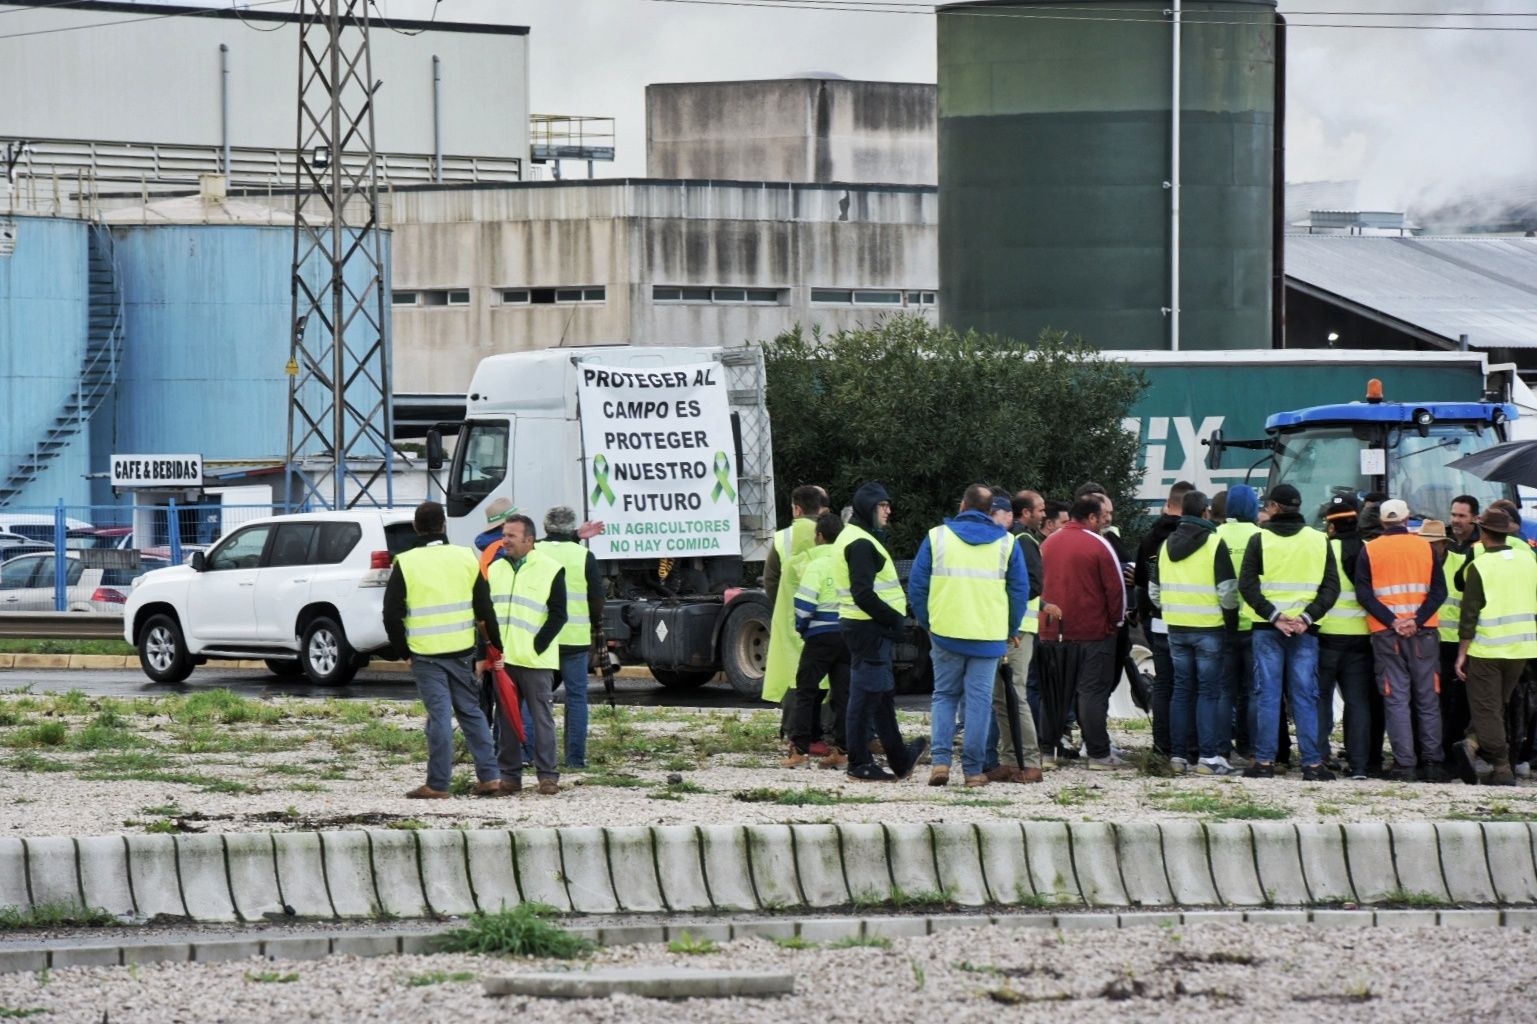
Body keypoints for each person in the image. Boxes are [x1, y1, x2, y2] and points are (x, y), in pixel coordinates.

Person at [382, 501, 507, 800]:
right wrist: (495, 646)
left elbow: (391, 613)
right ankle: (490, 777)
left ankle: (438, 784)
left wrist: (403, 651)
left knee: (439, 716)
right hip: (462, 649)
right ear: (444, 526)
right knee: (471, 712)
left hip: (425, 653)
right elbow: (484, 608)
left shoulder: (406, 562)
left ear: (416, 527)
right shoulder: (465, 557)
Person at [910, 486, 1030, 788]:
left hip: (945, 632)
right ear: (991, 511)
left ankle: (940, 762)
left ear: (962, 505)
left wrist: (929, 623)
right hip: (988, 636)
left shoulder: (936, 537)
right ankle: (974, 771)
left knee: (944, 695)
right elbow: (1018, 592)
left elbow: (917, 587)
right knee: (979, 702)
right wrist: (1011, 629)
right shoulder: (1007, 543)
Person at [1237, 483, 1340, 781]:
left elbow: (1247, 585)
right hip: (1305, 630)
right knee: (1305, 696)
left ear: (1274, 507)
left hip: (1268, 629)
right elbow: (1331, 587)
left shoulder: (1260, 540)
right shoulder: (1320, 540)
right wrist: (1307, 617)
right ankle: (1312, 764)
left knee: (1268, 695)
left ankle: (1265, 763)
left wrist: (1273, 616)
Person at [832, 482, 930, 782]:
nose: (888, 510)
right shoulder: (860, 542)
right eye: (882, 505)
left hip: (867, 627)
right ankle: (859, 764)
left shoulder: (859, 537)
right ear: (868, 508)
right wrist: (893, 621)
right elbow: (862, 593)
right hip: (868, 628)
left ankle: (900, 760)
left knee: (882, 696)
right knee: (864, 698)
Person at [1356, 498, 1449, 782]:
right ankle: (1432, 763)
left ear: (1382, 522)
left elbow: (1365, 594)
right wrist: (1416, 620)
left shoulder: (1369, 551)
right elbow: (1438, 591)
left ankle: (1404, 766)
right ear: (1408, 520)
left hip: (1387, 634)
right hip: (1424, 634)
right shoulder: (1425, 547)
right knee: (1427, 698)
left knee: (1396, 699)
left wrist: (1393, 621)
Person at [1152, 489, 1241, 775]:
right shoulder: (1215, 543)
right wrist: (1230, 619)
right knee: (1208, 693)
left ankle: (1177, 757)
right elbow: (1228, 591)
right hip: (1209, 629)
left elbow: (1154, 591)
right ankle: (1208, 758)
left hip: (1176, 628)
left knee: (1180, 691)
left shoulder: (1166, 545)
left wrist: (1173, 607)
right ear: (1205, 512)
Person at [1040, 493, 1128, 769]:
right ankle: (1099, 754)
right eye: (1100, 517)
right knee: (1091, 692)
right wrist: (1116, 622)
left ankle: (1047, 752)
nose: (1103, 522)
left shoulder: (1048, 543)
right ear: (1091, 517)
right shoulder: (1098, 544)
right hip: (1092, 631)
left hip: (1052, 630)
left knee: (1053, 692)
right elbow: (1116, 589)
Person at [486, 514, 568, 795]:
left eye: (511, 535)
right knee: (505, 719)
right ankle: (509, 777)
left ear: (529, 539)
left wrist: (537, 646)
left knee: (541, 718)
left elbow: (559, 615)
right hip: (503, 661)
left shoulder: (550, 568)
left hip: (535, 660)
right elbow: (488, 612)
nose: (504, 540)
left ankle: (547, 776)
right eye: (504, 534)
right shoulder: (495, 569)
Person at [1454, 507, 1537, 787]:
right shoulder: (1529, 561)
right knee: (1495, 703)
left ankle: (1501, 767)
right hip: (1523, 647)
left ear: (1482, 532)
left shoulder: (1480, 565)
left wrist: (1462, 652)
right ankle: (1472, 743)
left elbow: (1469, 613)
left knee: (1487, 707)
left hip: (1487, 648)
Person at [1314, 495, 1381, 780]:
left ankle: (1318, 757)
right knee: (1358, 702)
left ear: (1331, 526)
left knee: (1320, 700)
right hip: (1360, 639)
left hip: (1326, 637)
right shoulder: (1368, 550)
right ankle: (1359, 765)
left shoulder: (1322, 550)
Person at [765, 485, 831, 750]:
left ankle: (795, 732)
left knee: (796, 677)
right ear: (821, 507)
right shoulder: (834, 533)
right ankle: (825, 733)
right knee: (827, 677)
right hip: (826, 615)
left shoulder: (783, 538)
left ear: (797, 509)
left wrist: (783, 604)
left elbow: (771, 580)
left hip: (792, 617)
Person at [539, 506, 603, 770]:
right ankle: (575, 760)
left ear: (544, 527)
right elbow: (597, 598)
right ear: (572, 528)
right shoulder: (584, 556)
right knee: (576, 698)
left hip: (540, 638)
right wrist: (594, 622)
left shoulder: (535, 552)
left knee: (537, 697)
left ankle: (530, 754)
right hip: (574, 639)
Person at [989, 491, 1046, 784]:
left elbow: (1034, 584)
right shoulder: (1010, 542)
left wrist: (1005, 607)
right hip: (1006, 629)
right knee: (1002, 698)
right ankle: (1010, 761)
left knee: (1016, 696)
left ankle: (1032, 763)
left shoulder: (1021, 541)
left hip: (1018, 630)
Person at [1135, 481, 1195, 759]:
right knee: (1189, 684)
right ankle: (1189, 746)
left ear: (1168, 503)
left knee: (1163, 684)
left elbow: (1144, 581)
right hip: (1192, 620)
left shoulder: (1150, 539)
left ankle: (1162, 743)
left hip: (1158, 621)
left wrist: (1150, 612)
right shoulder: (1198, 537)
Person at [788, 512, 851, 769]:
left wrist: (803, 628)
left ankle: (800, 751)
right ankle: (841, 751)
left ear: (819, 536)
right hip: (847, 633)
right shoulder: (847, 561)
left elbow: (804, 605)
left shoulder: (816, 565)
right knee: (844, 694)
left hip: (819, 636)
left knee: (806, 691)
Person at [1215, 484, 1261, 766]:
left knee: (1224, 691)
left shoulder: (1214, 535)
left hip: (1222, 624)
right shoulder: (1261, 536)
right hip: (1256, 625)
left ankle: (1222, 749)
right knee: (1253, 691)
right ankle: (1252, 748)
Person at [1424, 519, 1470, 767]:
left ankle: (1448, 751)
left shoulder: (1460, 565)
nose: (1429, 548)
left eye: (1433, 543)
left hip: (1452, 644)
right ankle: (1431, 751)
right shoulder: (1419, 563)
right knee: (1429, 700)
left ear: (1444, 544)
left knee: (1451, 702)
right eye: (1426, 543)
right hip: (1426, 641)